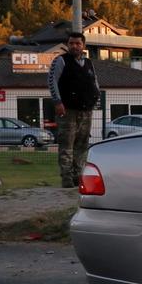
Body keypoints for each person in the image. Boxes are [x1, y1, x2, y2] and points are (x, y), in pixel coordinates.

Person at [47, 31, 100, 188]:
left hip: (86, 110)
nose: (75, 46)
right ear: (67, 45)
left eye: (78, 43)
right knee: (66, 144)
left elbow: (95, 81)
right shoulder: (60, 61)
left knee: (82, 145)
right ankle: (67, 178)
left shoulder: (89, 63)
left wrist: (95, 96)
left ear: (83, 45)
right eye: (71, 43)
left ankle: (79, 175)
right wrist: (57, 102)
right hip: (68, 110)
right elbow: (52, 81)